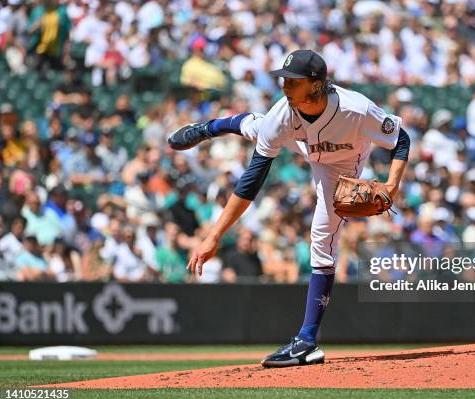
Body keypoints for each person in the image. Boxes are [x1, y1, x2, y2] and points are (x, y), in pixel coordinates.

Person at [168, 50, 411, 368]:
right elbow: (251, 182)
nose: (284, 85)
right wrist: (214, 236)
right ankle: (208, 128)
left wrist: (392, 186)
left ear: (316, 83)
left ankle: (307, 342)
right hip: (303, 142)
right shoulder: (283, 112)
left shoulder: (357, 109)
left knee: (322, 241)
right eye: (283, 78)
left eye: (293, 81)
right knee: (261, 127)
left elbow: (401, 139)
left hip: (341, 165)